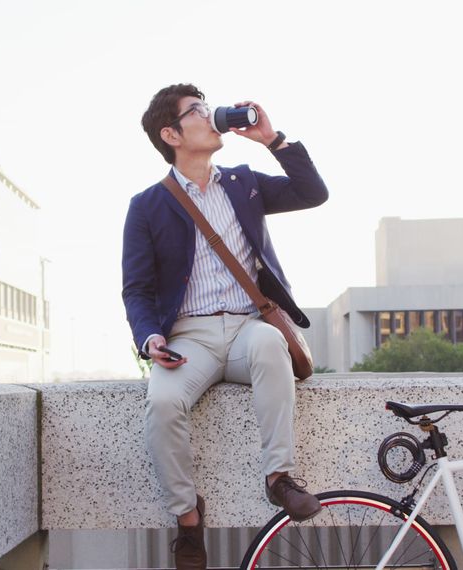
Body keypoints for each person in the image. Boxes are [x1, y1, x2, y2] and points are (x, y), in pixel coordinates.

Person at [122, 83, 328, 570]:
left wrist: (272, 140)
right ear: (171, 134)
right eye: (197, 111)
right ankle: (188, 517)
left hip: (246, 326)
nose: (211, 115)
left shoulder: (243, 182)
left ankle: (280, 478)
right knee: (163, 403)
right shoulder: (147, 205)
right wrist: (150, 337)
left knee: (270, 346)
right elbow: (137, 289)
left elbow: (313, 193)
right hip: (188, 337)